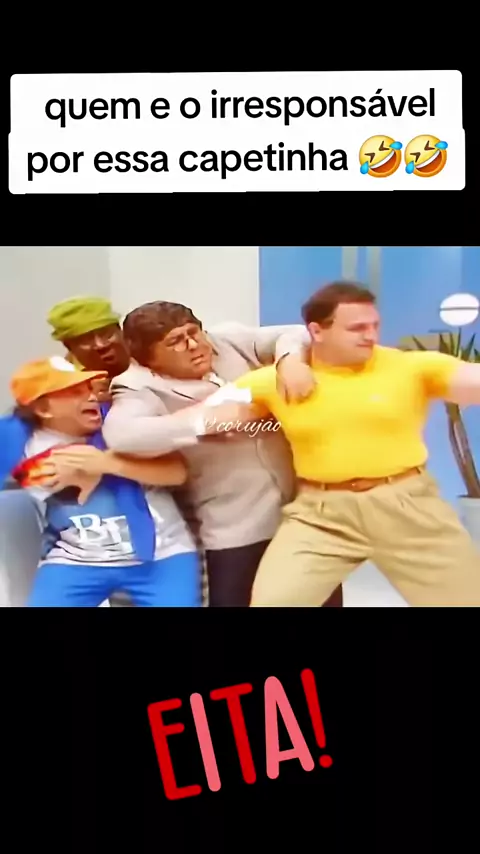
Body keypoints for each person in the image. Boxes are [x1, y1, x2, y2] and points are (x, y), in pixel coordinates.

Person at [217, 281, 480, 606]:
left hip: (409, 507)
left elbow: (470, 380)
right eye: (357, 328)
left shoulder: (411, 367)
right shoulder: (275, 380)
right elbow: (207, 417)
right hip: (321, 515)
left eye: (374, 325)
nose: (370, 335)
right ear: (317, 331)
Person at [102, 301, 344, 607]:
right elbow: (123, 435)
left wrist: (289, 361)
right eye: (175, 342)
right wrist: (205, 421)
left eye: (193, 332)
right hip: (234, 528)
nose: (194, 345)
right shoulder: (135, 385)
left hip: (302, 516)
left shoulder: (226, 340)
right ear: (147, 357)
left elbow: (295, 333)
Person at [1, 356, 201, 607]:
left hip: (162, 554)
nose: (92, 397)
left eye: (89, 388)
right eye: (75, 392)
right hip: (77, 559)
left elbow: (177, 472)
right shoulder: (14, 439)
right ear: (43, 409)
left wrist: (106, 464)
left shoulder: (120, 423)